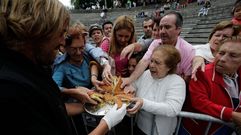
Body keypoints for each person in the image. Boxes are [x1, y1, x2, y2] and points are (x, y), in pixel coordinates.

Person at [0, 0, 126, 135]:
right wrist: (107, 123)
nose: (61, 42)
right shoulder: (11, 91)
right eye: (60, 34)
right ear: (38, 31)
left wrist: (81, 87)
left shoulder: (30, 68)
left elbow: (94, 55)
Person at [181, 36, 241, 135]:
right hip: (197, 131)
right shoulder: (202, 72)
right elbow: (199, 102)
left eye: (233, 55)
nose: (222, 59)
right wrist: (232, 115)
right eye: (221, 53)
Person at [120, 11, 195, 88]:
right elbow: (144, 61)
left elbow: (187, 78)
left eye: (167, 27)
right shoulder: (155, 43)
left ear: (178, 29)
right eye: (161, 27)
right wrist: (130, 79)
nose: (162, 31)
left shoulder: (188, 50)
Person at [127, 45, 186, 135]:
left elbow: (173, 109)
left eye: (157, 63)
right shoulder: (146, 74)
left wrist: (143, 103)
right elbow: (132, 88)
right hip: (140, 128)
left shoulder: (177, 82)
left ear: (169, 67)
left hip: (162, 132)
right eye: (151, 61)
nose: (151, 65)